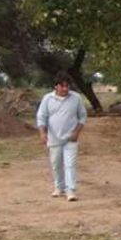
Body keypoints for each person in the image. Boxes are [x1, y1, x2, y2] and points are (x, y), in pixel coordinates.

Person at [36, 72, 87, 202]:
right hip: (54, 138)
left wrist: (76, 132)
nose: (65, 89)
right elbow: (42, 117)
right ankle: (59, 187)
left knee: (70, 164)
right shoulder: (47, 99)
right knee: (56, 164)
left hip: (71, 138)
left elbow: (82, 116)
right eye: (62, 86)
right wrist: (42, 133)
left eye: (67, 86)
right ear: (56, 86)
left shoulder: (76, 98)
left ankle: (71, 191)